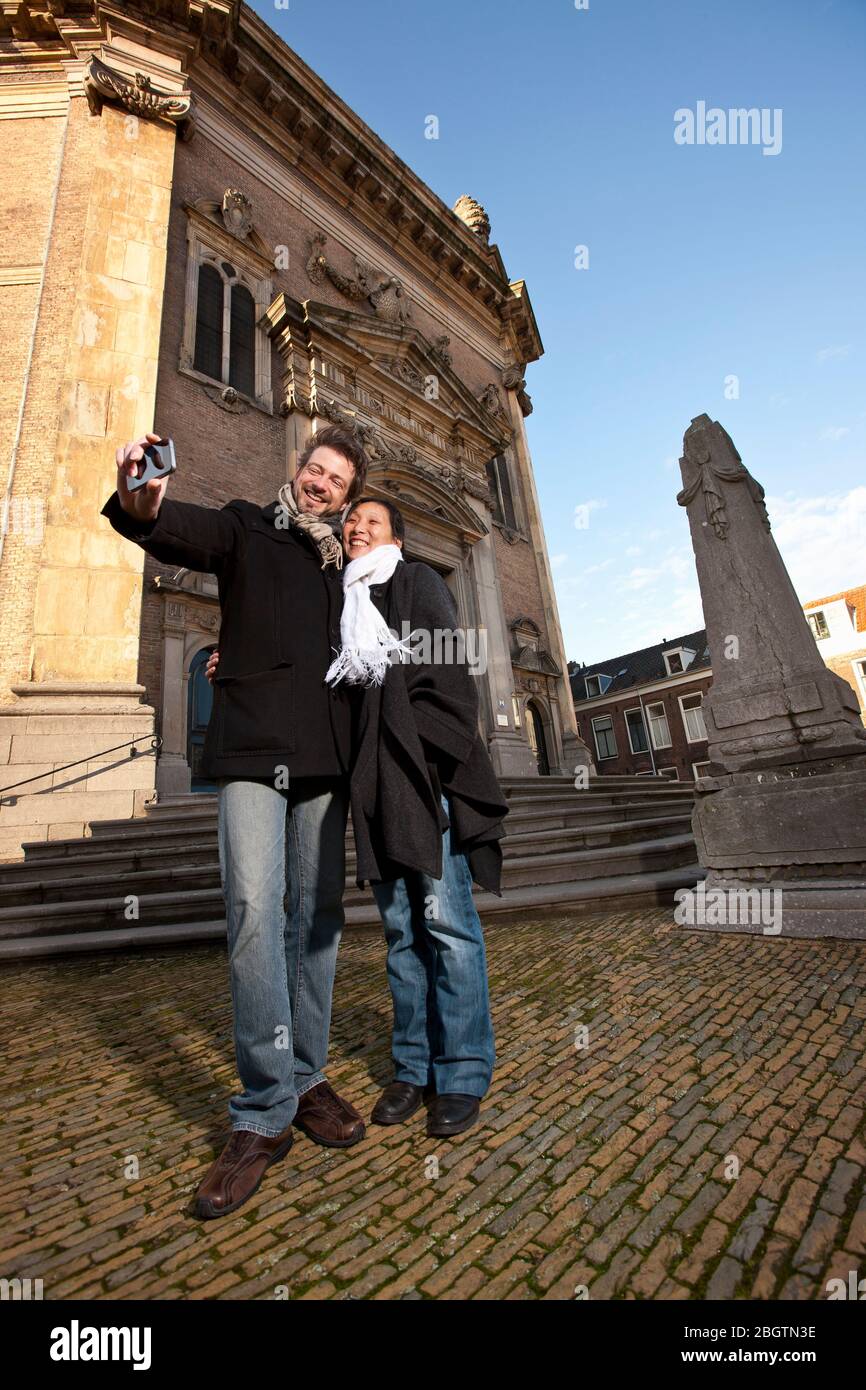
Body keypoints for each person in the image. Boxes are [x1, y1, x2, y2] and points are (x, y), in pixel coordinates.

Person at [101, 425, 371, 1220]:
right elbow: (171, 525)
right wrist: (141, 493)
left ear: (347, 496)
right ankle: (262, 1112)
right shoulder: (251, 526)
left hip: (325, 756)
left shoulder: (348, 569)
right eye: (314, 469)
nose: (320, 483)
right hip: (253, 748)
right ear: (298, 471)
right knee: (256, 912)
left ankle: (307, 1077)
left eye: (335, 479)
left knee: (316, 923)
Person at [207, 496, 508, 1136]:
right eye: (351, 523)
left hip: (423, 782)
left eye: (372, 521)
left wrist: (424, 762)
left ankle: (462, 1070)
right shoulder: (344, 606)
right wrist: (229, 659)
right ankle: (412, 1069)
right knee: (401, 934)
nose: (357, 528)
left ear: (395, 536)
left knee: (449, 927)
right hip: (375, 789)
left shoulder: (417, 582)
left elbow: (450, 681)